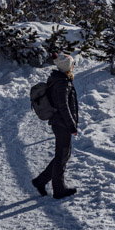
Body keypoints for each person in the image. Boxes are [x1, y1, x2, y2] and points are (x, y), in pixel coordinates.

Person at [32, 53, 79, 199]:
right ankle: (59, 189)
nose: (73, 66)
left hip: (59, 122)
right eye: (72, 64)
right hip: (62, 123)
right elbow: (63, 106)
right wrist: (72, 126)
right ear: (68, 66)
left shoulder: (58, 78)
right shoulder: (62, 83)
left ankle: (40, 181)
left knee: (63, 155)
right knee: (62, 156)